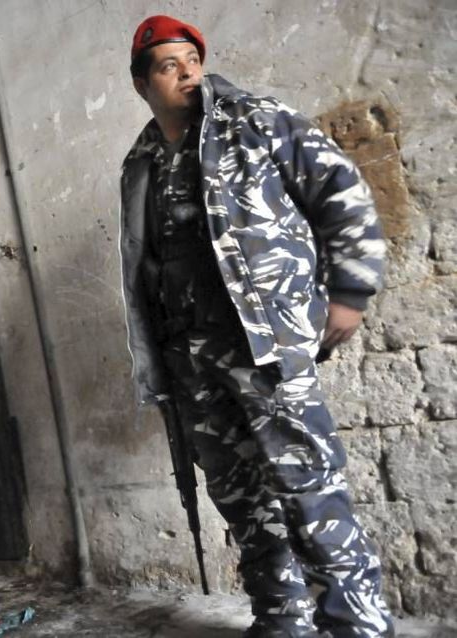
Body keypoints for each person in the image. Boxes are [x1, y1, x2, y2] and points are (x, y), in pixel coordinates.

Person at [118, 15, 394, 638]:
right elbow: (144, 264)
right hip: (190, 360)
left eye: (192, 58)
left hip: (264, 344)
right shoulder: (139, 162)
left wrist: (348, 293)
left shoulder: (254, 119)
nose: (188, 71)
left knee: (309, 492)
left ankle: (359, 626)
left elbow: (340, 190)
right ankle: (282, 619)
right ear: (142, 84)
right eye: (169, 64)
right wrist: (157, 361)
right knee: (243, 502)